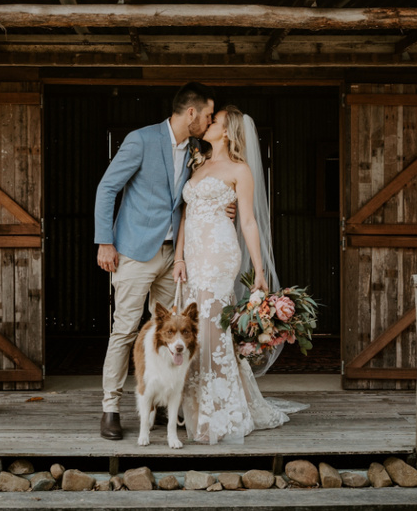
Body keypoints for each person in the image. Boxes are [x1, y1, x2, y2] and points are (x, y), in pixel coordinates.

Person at [174, 105, 306, 445]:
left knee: (213, 329)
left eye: (214, 121)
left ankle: (221, 411)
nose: (208, 122)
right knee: (194, 328)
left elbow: (248, 221)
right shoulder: (198, 163)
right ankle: (195, 404)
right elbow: (186, 217)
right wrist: (178, 258)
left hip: (219, 253)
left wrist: (260, 269)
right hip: (193, 255)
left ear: (228, 131)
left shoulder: (240, 170)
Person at [94, 82, 215, 441]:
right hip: (133, 249)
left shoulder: (197, 149)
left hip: (172, 256)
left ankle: (161, 408)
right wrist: (105, 242)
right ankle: (111, 407)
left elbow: (191, 197)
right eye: (207, 115)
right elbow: (107, 188)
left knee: (166, 331)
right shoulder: (141, 140)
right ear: (190, 113)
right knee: (126, 329)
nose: (209, 122)